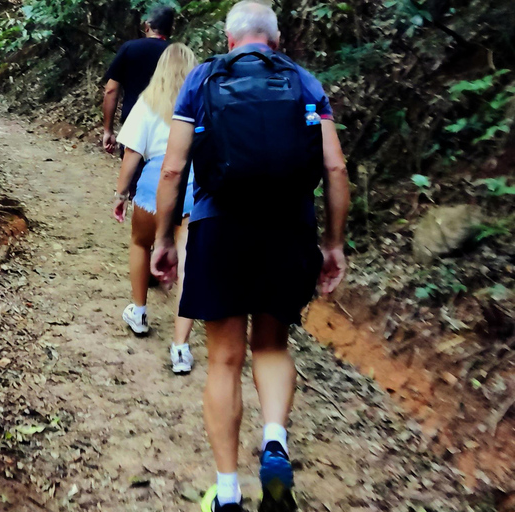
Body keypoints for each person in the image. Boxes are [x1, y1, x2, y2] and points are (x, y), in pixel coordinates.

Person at [150, 2, 351, 511]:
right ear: (276, 39)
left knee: (223, 358)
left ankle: (229, 491)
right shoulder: (305, 81)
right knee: (272, 346)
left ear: (228, 36)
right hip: (289, 230)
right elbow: (335, 169)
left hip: (220, 226)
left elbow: (172, 170)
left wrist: (165, 240)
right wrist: (332, 242)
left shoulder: (201, 79)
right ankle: (276, 440)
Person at [112, 43, 198, 374]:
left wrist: (120, 194)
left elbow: (132, 154)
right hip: (194, 186)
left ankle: (139, 312)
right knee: (190, 263)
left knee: (139, 242)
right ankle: (180, 347)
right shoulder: (203, 102)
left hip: (153, 185)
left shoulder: (147, 103)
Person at [102, 5, 175, 155]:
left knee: (131, 175)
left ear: (147, 26)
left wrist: (108, 130)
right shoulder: (176, 53)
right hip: (165, 128)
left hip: (133, 125)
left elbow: (111, 90)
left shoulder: (130, 48)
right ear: (171, 29)